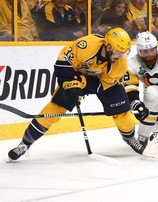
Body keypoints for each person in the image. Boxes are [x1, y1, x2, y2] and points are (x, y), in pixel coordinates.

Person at [8, 28, 145, 161]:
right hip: (75, 76)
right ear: (109, 47)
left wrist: (82, 85)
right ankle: (25, 144)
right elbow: (62, 64)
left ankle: (130, 138)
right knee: (55, 108)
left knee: (122, 111)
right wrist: (72, 85)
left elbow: (103, 85)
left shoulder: (120, 64)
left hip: (103, 82)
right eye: (119, 52)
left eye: (124, 52)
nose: (121, 56)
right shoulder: (86, 46)